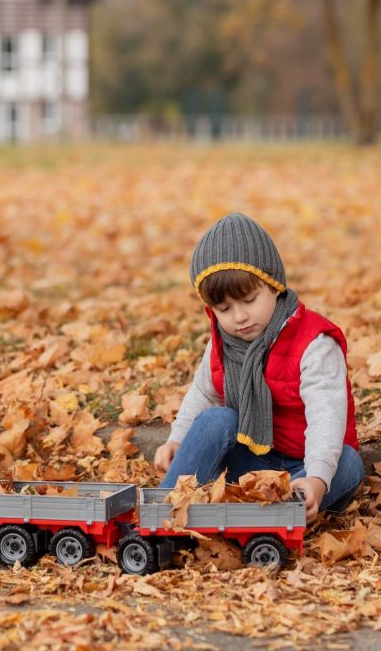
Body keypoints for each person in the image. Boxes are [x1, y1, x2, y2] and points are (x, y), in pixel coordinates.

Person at [154, 212, 364, 523]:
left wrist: (318, 478)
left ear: (274, 286)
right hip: (253, 463)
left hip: (306, 467)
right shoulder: (223, 341)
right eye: (224, 309)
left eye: (250, 300)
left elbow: (326, 416)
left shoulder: (313, 344)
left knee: (349, 462)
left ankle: (271, 517)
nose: (239, 317)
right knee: (216, 418)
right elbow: (204, 393)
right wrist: (177, 439)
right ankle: (165, 511)